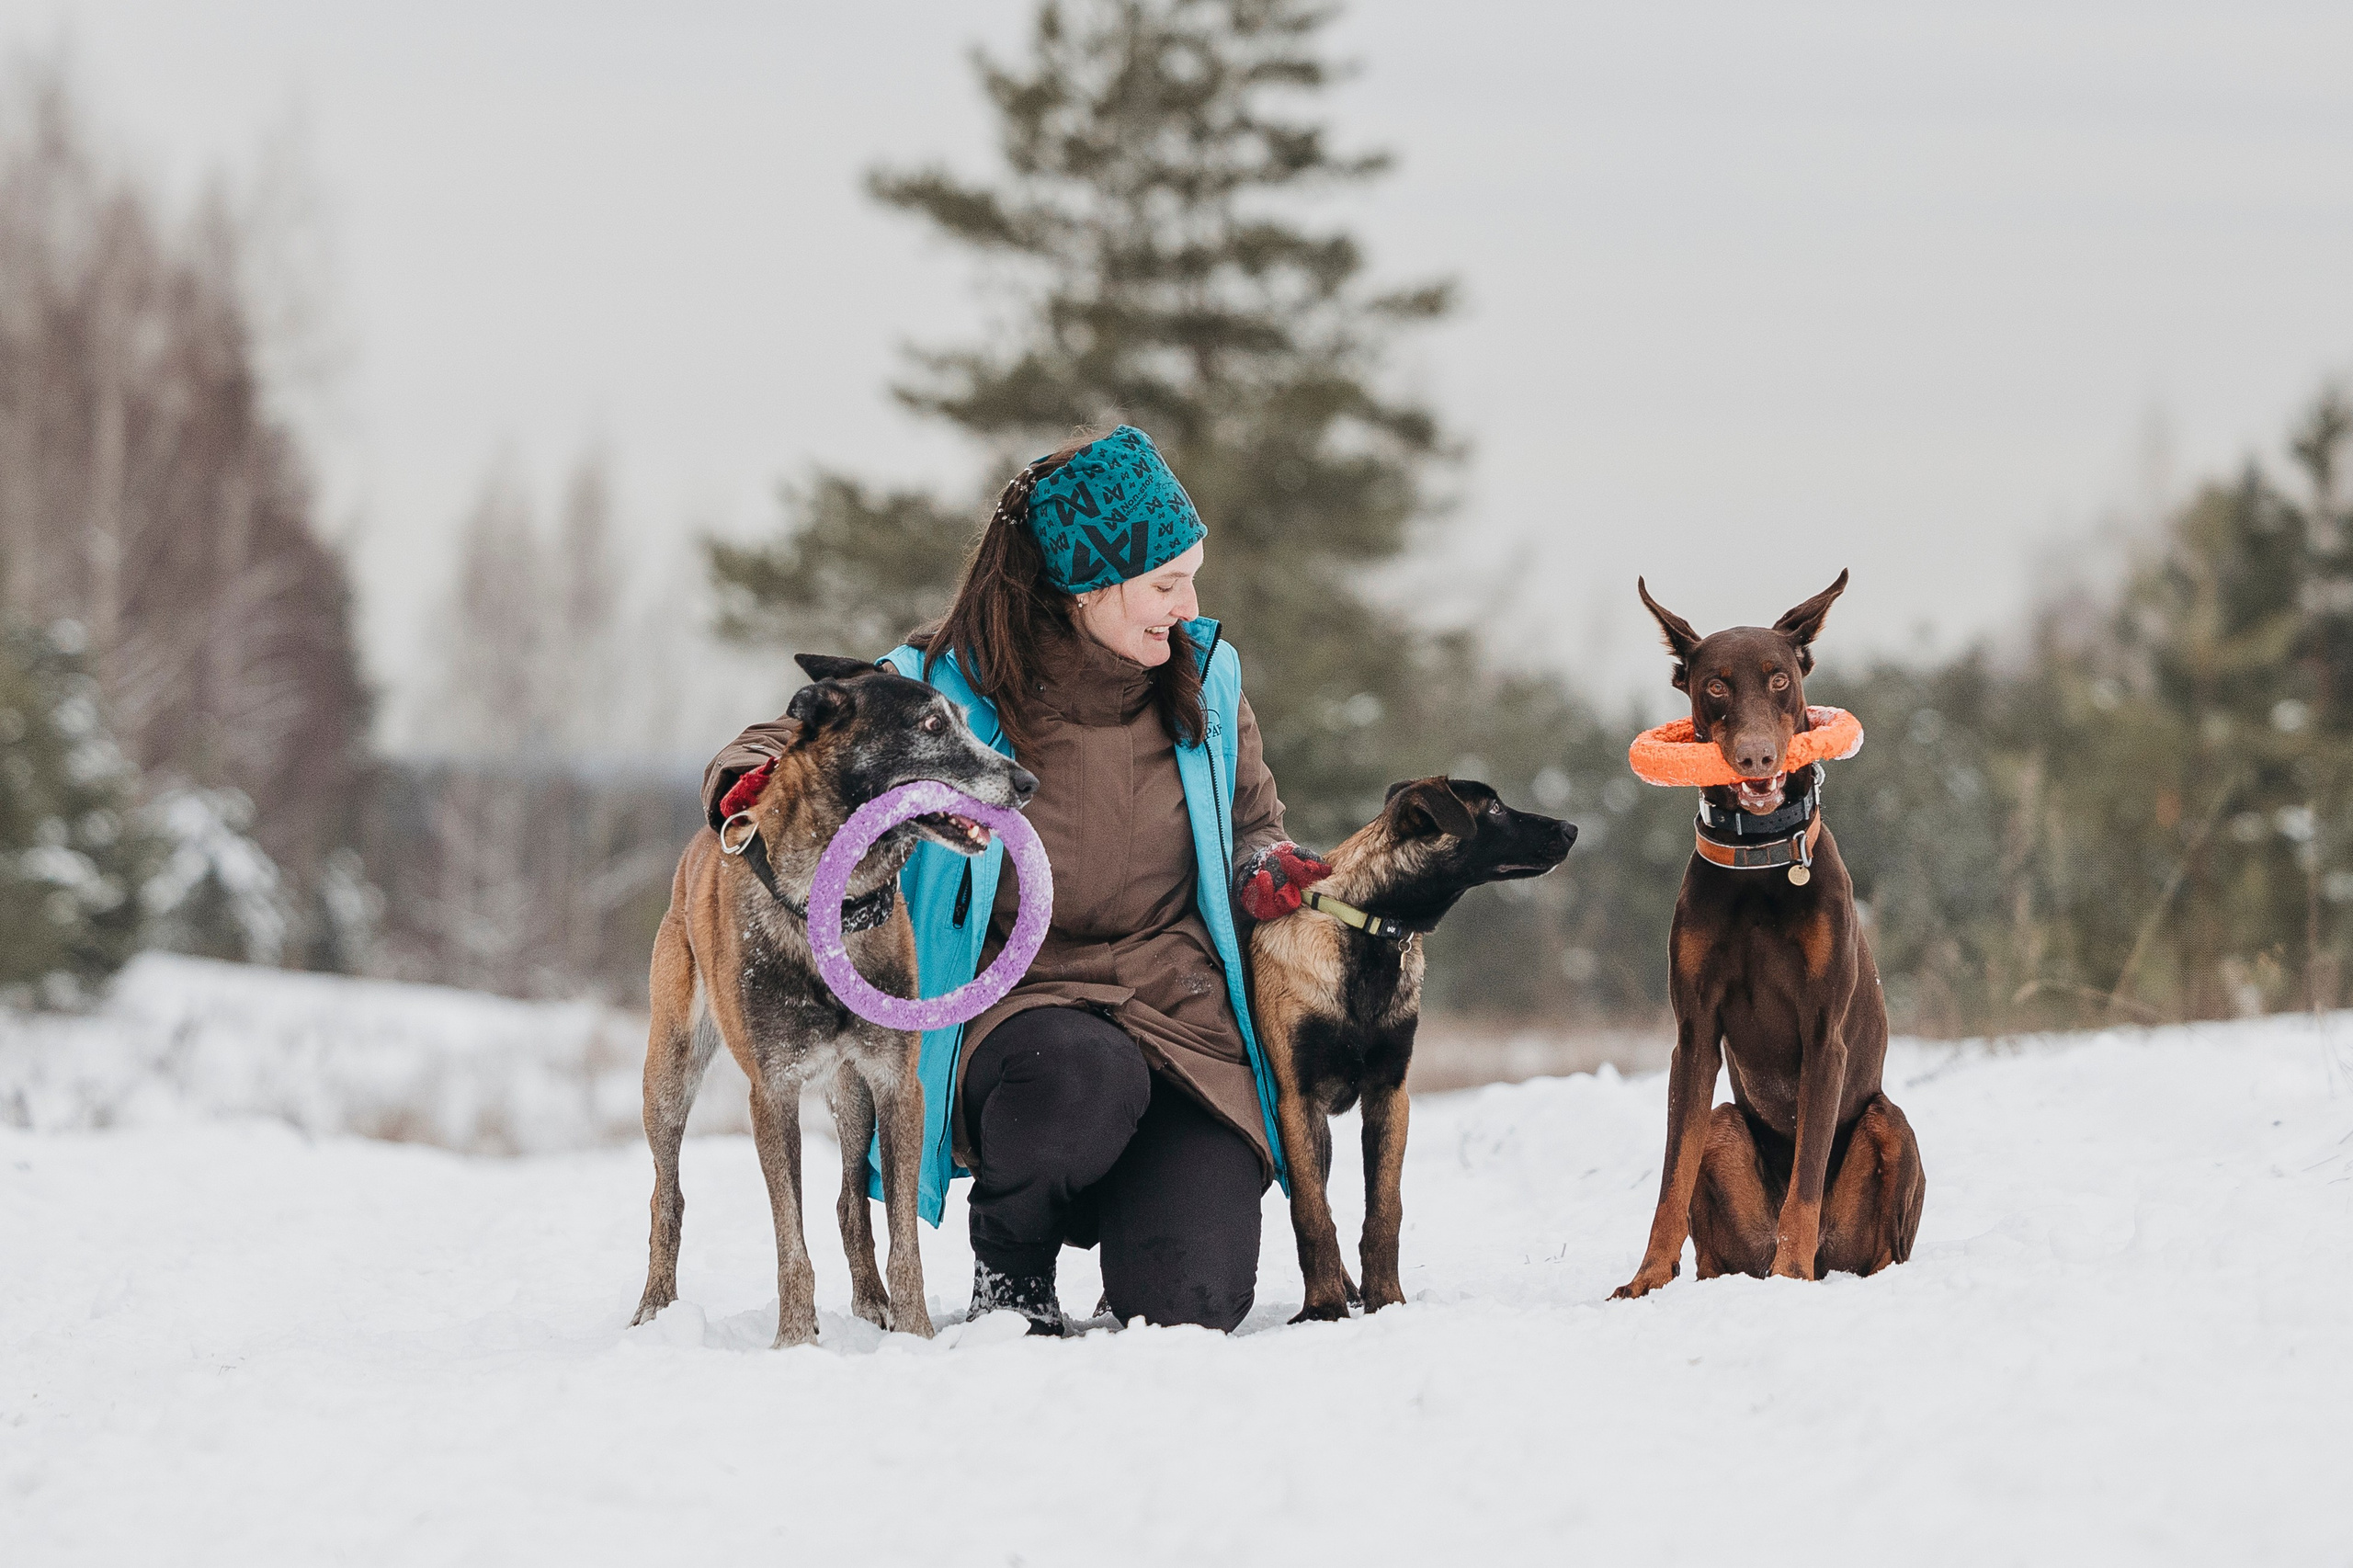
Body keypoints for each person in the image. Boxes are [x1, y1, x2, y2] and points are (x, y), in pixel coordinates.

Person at [702, 425, 1334, 1335]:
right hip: (1025, 1009)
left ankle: (1138, 1211)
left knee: (1193, 1304)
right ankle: (1013, 1263)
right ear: (1088, 581)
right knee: (1079, 1075)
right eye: (1166, 582)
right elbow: (796, 732)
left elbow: (1252, 827)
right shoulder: (941, 686)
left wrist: (1266, 871)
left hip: (1181, 1011)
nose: (1188, 602)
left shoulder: (1209, 679)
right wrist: (749, 777)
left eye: (1190, 576)